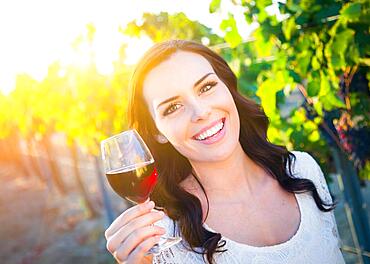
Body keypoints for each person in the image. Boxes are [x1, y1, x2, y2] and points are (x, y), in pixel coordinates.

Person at [104, 39, 345, 264]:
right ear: (156, 131)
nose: (201, 112)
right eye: (173, 107)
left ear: (228, 87)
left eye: (207, 87)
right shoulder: (162, 237)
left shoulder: (302, 170)